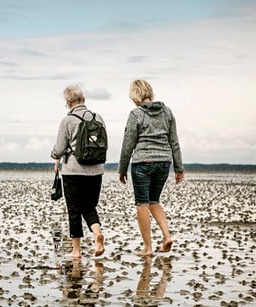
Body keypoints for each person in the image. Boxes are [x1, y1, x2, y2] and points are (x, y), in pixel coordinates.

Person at [118, 79, 185, 257]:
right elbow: (174, 142)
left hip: (143, 162)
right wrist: (179, 168)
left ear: (135, 96)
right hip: (164, 161)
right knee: (154, 200)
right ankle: (167, 236)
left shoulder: (135, 114)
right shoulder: (167, 112)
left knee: (142, 203)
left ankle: (148, 248)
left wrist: (122, 169)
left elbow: (128, 144)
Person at [50, 84, 106, 259]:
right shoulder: (98, 117)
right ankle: (97, 233)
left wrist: (54, 155)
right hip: (96, 170)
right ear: (83, 100)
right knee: (89, 206)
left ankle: (76, 250)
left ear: (68, 102)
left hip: (74, 171)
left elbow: (59, 149)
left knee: (74, 209)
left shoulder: (67, 120)